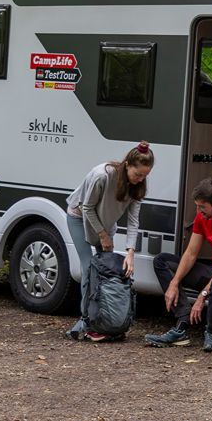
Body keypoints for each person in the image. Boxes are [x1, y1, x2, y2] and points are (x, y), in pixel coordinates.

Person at [65, 141, 154, 341]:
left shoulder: (137, 188)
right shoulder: (102, 176)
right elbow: (87, 207)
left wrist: (130, 251)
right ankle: (85, 320)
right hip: (79, 218)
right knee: (89, 267)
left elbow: (133, 221)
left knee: (108, 269)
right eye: (138, 174)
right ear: (127, 165)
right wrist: (102, 236)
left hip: (105, 223)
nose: (140, 180)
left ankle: (102, 317)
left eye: (145, 176)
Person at [145, 177, 212, 353]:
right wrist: (174, 283)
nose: (198, 211)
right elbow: (190, 253)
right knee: (162, 260)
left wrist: (202, 295)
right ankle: (182, 325)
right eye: (197, 206)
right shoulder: (202, 217)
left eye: (202, 207)